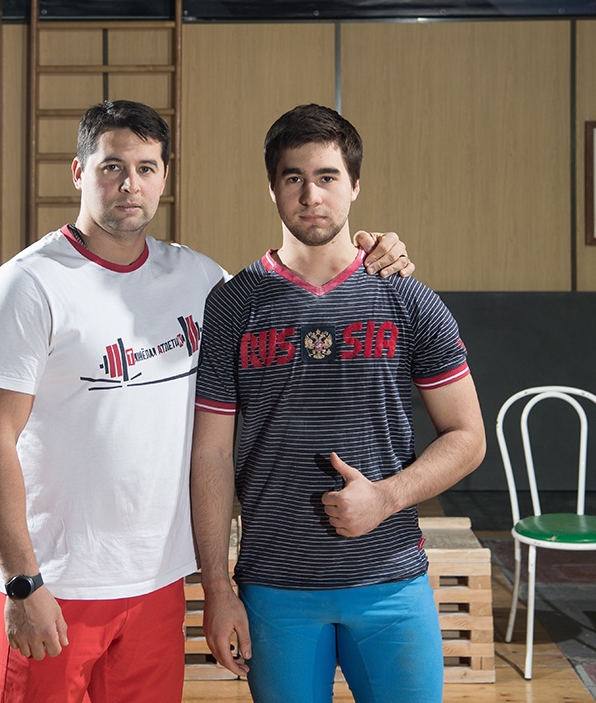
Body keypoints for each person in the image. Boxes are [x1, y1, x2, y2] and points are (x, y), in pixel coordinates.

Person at [0, 99, 413, 703]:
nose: (130, 184)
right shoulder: (27, 285)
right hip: (58, 585)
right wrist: (22, 581)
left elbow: (295, 280)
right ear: (78, 172)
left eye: (146, 168)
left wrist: (375, 252)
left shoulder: (199, 281)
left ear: (164, 178)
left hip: (158, 583)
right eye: (112, 167)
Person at [191, 103, 486, 703]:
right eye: (293, 178)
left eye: (327, 177)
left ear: (355, 186)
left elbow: (468, 437)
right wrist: (217, 589)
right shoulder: (232, 305)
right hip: (275, 588)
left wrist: (387, 497)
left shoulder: (407, 299)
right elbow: (211, 455)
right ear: (272, 188)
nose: (311, 195)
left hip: (390, 582)